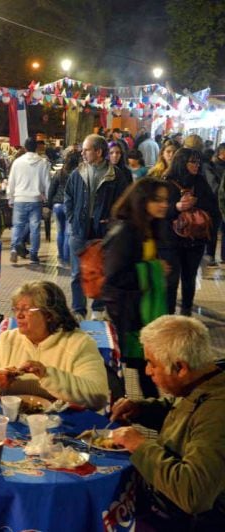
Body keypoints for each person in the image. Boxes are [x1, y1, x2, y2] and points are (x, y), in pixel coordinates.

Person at [110, 315, 225, 531]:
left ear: (180, 368)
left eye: (152, 364)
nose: (147, 371)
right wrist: (141, 409)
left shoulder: (217, 414)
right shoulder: (204, 377)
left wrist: (140, 446)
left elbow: (193, 494)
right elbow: (180, 410)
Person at [0, 281, 109, 410]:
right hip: (11, 422)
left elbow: (99, 397)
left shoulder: (79, 344)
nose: (19, 315)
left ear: (49, 315)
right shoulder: (9, 339)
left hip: (60, 427)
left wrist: (47, 374)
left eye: (27, 309)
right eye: (16, 309)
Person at [102, 178, 170, 399]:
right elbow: (114, 276)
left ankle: (149, 412)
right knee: (139, 366)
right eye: (157, 200)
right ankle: (148, 415)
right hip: (127, 314)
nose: (164, 205)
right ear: (142, 201)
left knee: (145, 367)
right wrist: (153, 270)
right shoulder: (125, 230)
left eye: (165, 200)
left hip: (142, 310)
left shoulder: (148, 227)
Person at [65, 134, 129, 319]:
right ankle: (78, 309)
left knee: (100, 271)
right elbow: (68, 196)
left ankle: (98, 309)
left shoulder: (116, 175)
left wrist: (113, 221)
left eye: (87, 150)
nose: (83, 153)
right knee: (77, 273)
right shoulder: (78, 172)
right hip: (79, 229)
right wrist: (72, 217)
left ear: (99, 152)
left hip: (103, 231)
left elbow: (124, 202)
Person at [158, 147, 218, 315]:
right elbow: (159, 212)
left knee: (189, 278)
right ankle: (168, 316)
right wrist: (176, 207)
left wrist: (196, 205)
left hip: (195, 240)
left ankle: (186, 313)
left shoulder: (200, 182)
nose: (197, 166)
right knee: (170, 282)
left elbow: (213, 209)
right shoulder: (167, 183)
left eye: (198, 162)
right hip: (171, 242)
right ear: (181, 162)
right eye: (193, 162)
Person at [7, 138, 51, 264]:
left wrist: (11, 197)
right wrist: (47, 198)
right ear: (36, 147)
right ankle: (33, 253)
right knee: (35, 227)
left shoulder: (17, 162)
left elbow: (12, 181)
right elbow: (47, 182)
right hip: (35, 199)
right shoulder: (42, 162)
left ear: (25, 148)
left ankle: (14, 249)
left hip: (20, 198)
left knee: (18, 226)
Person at [48, 148, 81, 267]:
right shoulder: (77, 174)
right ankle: (67, 259)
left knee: (60, 232)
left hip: (57, 205)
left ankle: (61, 256)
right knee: (68, 233)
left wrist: (49, 204)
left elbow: (52, 189)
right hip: (69, 206)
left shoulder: (60, 172)